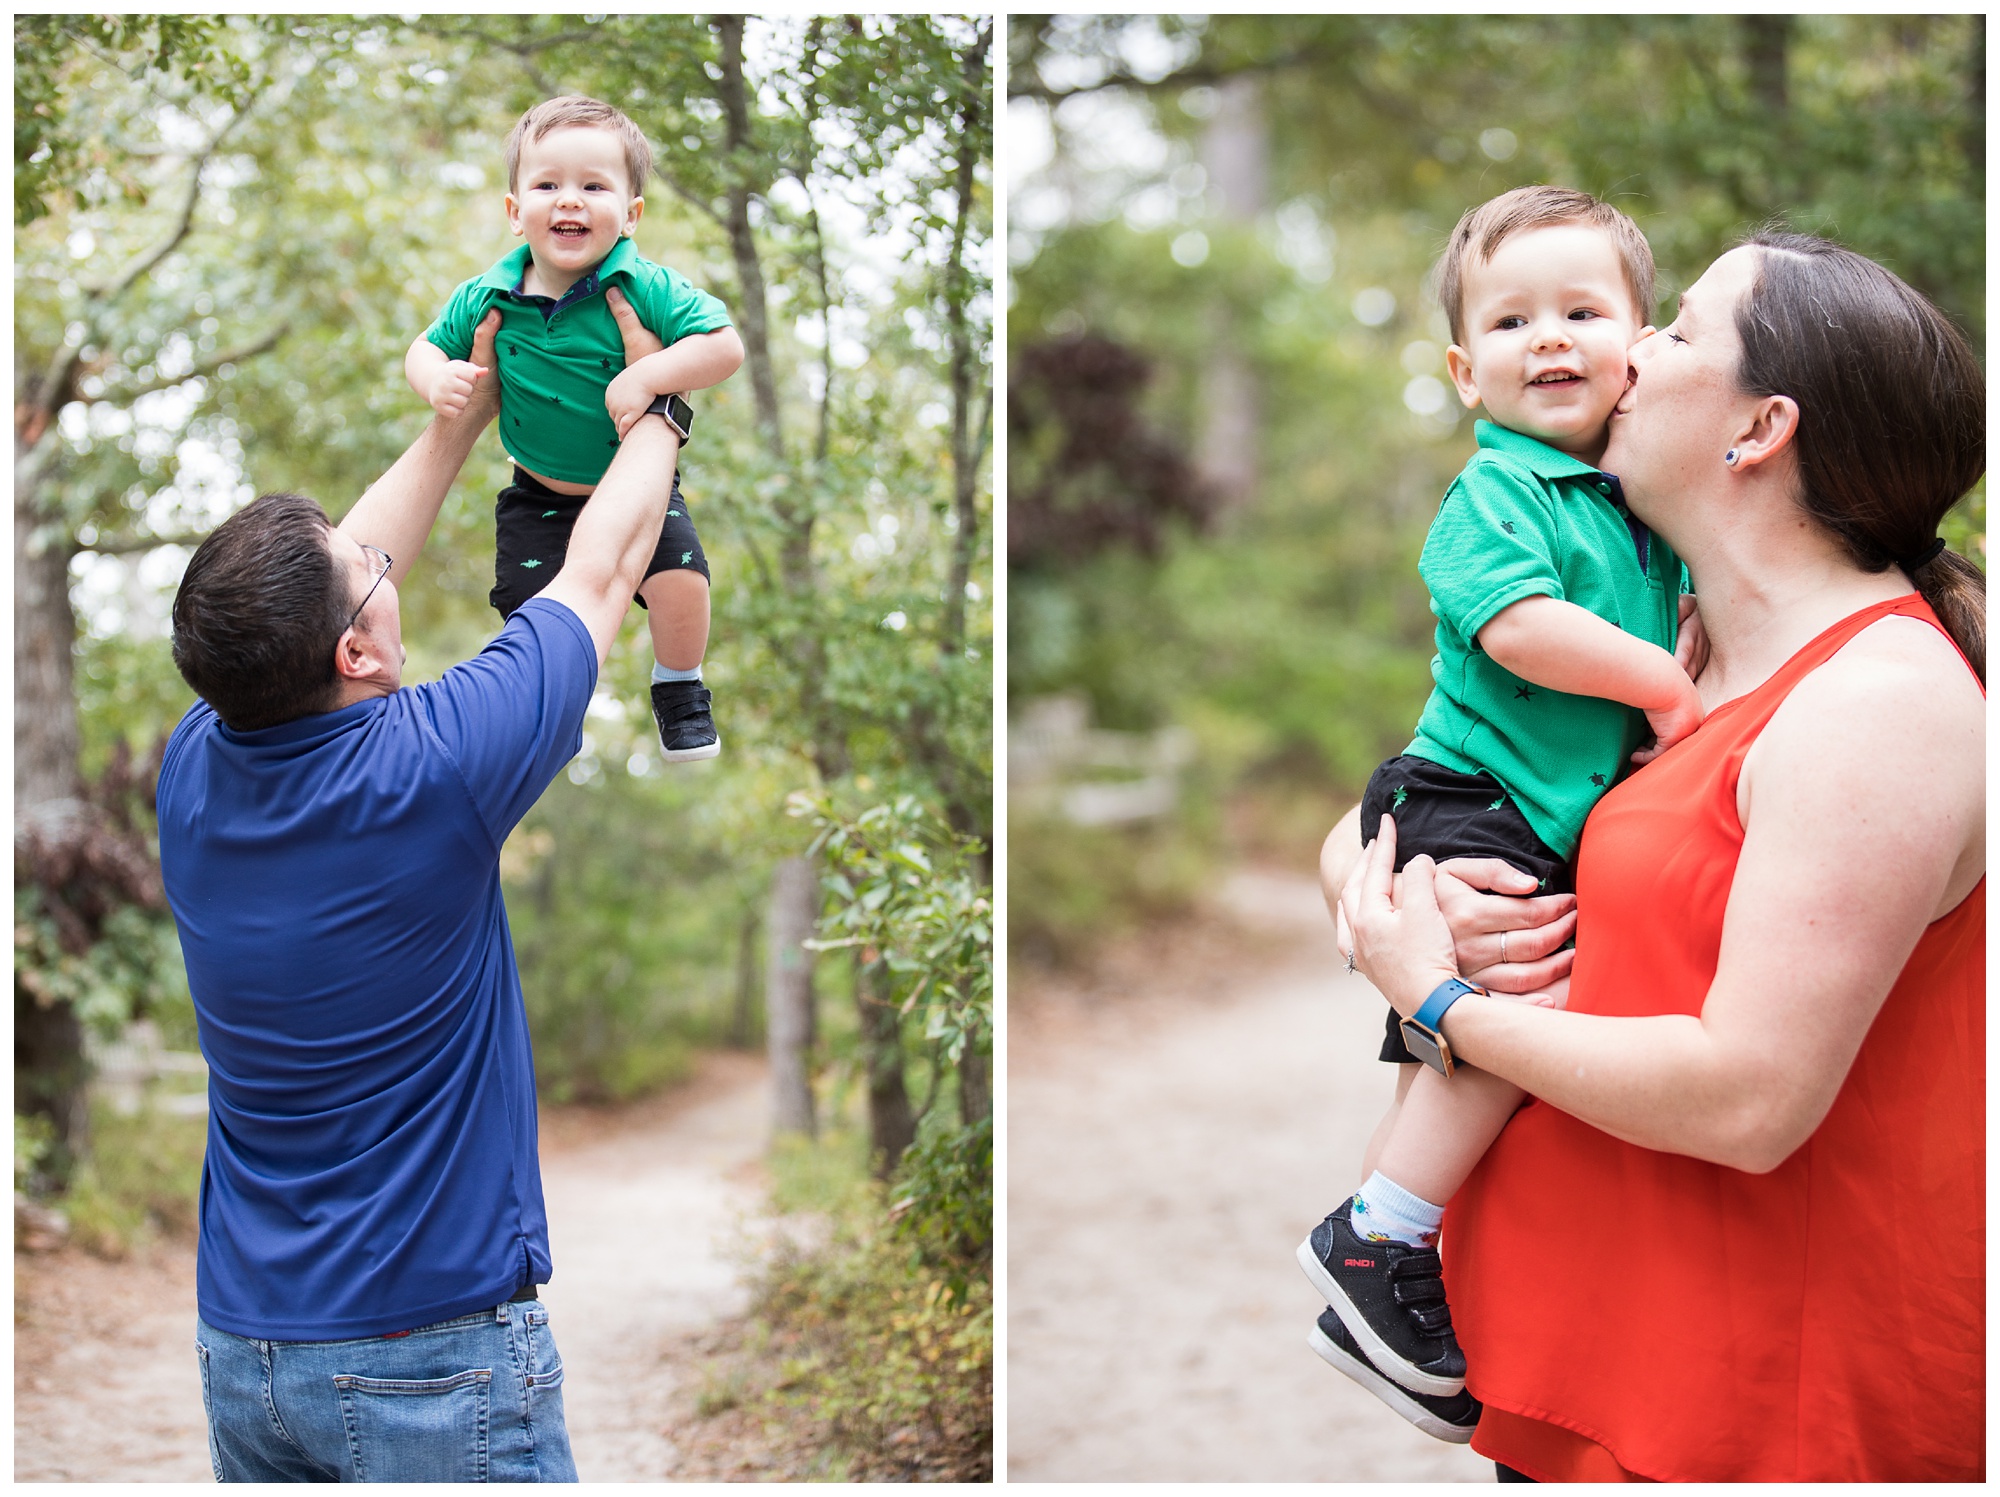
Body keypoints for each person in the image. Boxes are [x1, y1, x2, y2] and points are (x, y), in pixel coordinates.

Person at [1330, 232, 1983, 1482]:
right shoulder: (1680, 654)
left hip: (1753, 1414)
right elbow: (1444, 784)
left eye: (1675, 331)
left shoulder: (1875, 701)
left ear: (1757, 430)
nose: (1627, 353)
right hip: (1596, 1373)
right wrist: (1381, 895)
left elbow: (1746, 1099)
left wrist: (1439, 1000)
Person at [160, 290, 687, 1481]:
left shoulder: (195, 765)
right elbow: (600, 572)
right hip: (427, 1359)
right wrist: (658, 403)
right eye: (365, 570)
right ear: (356, 651)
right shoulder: (435, 767)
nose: (377, 555)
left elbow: (311, 602)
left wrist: (463, 411)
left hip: (247, 1355)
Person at [1295, 186, 1703, 1439]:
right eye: (1513, 321)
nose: (1550, 339)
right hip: (1469, 799)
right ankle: (1374, 1240)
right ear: (1466, 374)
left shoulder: (1643, 508)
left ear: (1641, 345)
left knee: (1466, 1057)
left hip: (1531, 811)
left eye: (1582, 310)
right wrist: (1666, 689)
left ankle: (1405, 1264)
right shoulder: (1497, 496)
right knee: (1511, 1010)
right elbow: (1521, 629)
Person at [407, 94, 745, 761]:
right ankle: (549, 716)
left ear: (630, 214)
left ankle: (680, 685)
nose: (570, 200)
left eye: (594, 186)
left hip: (635, 485)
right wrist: (433, 380)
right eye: (548, 184)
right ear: (514, 212)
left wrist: (649, 376)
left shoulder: (643, 284)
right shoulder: (487, 294)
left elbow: (724, 346)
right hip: (538, 493)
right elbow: (423, 346)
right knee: (533, 615)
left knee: (683, 582)